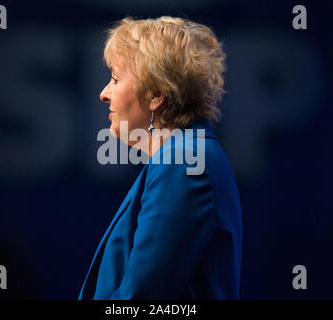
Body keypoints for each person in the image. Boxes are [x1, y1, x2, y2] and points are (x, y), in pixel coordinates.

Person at [79, 16, 242, 300]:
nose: (104, 93)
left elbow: (141, 300)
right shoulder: (184, 157)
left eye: (115, 79)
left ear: (156, 95)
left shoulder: (183, 164)